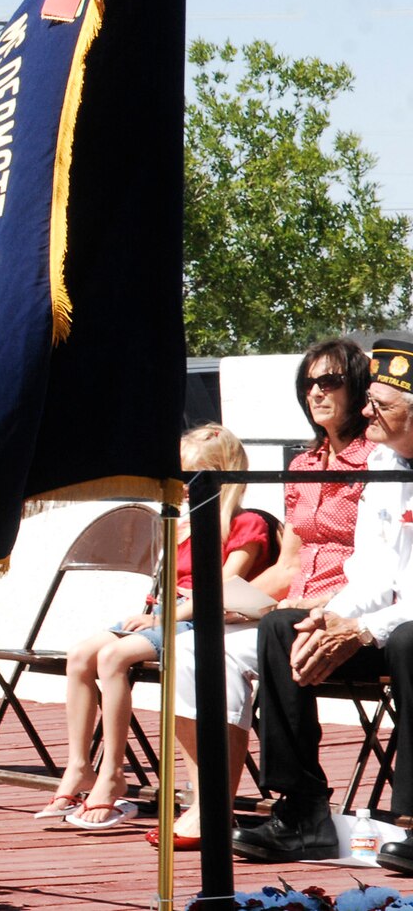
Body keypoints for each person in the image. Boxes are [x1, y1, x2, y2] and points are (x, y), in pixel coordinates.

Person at [158, 335, 374, 849]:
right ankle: (209, 800)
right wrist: (229, 601)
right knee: (193, 650)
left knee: (265, 637)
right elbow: (289, 564)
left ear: (358, 386)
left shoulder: (379, 462)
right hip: (290, 607)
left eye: (330, 381)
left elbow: (376, 563)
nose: (316, 392)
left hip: (346, 610)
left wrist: (313, 606)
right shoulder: (302, 464)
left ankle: (298, 804)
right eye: (308, 383)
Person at [234, 335, 413, 865]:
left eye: (379, 405)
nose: (364, 411)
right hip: (387, 620)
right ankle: (301, 810)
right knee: (284, 627)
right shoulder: (384, 464)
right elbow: (375, 573)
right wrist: (331, 618)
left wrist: (364, 630)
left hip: (404, 631)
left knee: (408, 639)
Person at [46, 425, 274, 830]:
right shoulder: (185, 525)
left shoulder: (246, 524)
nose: (180, 486)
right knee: (80, 654)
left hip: (204, 622)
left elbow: (222, 589)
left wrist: (165, 618)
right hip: (166, 615)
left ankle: (112, 773)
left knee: (114, 657)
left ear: (219, 475)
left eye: (188, 476)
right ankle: (79, 765)